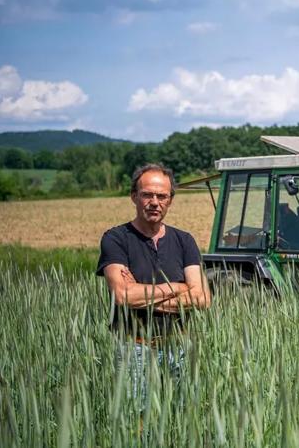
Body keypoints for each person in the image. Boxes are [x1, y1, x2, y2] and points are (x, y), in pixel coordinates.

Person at [96, 163, 211, 411]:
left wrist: (143, 291)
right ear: (134, 197)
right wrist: (179, 287)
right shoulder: (115, 239)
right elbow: (123, 295)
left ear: (170, 200)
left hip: (179, 347)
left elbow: (202, 298)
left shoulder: (184, 241)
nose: (154, 202)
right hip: (134, 348)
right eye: (147, 194)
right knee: (136, 421)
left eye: (162, 196)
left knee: (182, 417)